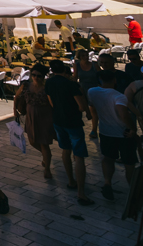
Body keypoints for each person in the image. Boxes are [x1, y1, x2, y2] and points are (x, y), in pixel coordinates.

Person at [44, 60, 93, 205]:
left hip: (58, 120)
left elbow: (51, 102)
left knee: (65, 150)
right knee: (79, 156)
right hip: (72, 121)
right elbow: (82, 106)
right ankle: (81, 192)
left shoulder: (49, 83)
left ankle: (71, 181)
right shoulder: (71, 85)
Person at [87, 69, 137, 199]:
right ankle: (132, 188)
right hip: (123, 133)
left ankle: (107, 183)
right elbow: (123, 115)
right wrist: (133, 128)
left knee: (108, 158)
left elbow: (92, 106)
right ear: (115, 80)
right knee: (129, 162)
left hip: (105, 131)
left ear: (100, 80)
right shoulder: (119, 96)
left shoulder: (92, 92)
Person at [13, 64, 55, 179]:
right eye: (34, 75)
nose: (36, 77)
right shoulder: (26, 85)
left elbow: (52, 103)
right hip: (31, 117)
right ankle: (46, 156)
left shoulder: (47, 87)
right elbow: (16, 97)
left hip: (44, 117)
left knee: (44, 143)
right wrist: (15, 111)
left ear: (43, 76)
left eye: (39, 76)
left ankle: (47, 169)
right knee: (32, 141)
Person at [74, 49, 100, 138]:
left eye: (86, 55)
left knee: (93, 109)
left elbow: (101, 76)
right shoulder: (77, 65)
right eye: (83, 56)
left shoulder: (94, 65)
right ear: (79, 57)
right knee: (82, 108)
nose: (85, 57)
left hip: (94, 88)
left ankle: (94, 130)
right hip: (83, 89)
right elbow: (75, 77)